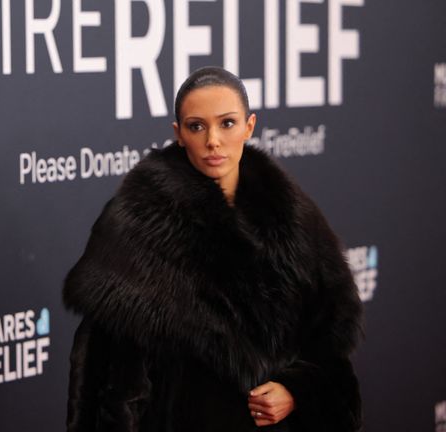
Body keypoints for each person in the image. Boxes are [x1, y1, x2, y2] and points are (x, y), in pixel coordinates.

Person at [63, 66, 363, 431]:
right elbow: (106, 376)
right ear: (178, 134)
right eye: (197, 126)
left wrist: (296, 389)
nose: (213, 141)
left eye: (227, 123)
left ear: (249, 127)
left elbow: (328, 347)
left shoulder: (295, 220)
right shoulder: (137, 225)